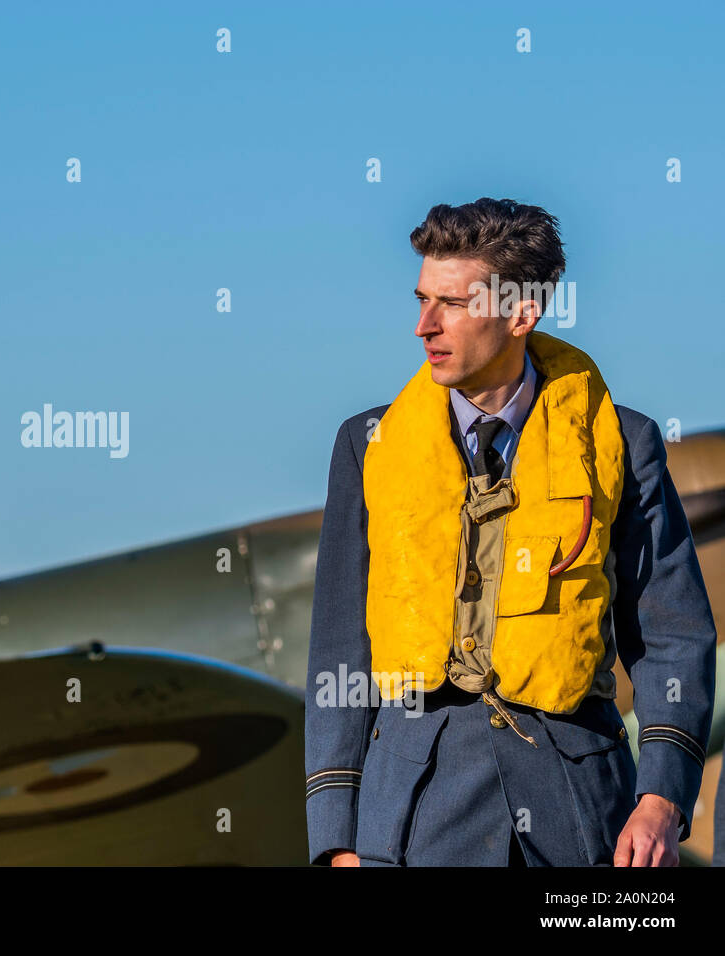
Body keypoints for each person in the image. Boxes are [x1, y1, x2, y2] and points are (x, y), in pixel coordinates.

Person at [305, 198, 717, 866]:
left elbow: (674, 637)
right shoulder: (367, 445)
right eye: (421, 300)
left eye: (452, 304)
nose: (424, 326)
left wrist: (662, 798)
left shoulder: (623, 440)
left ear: (521, 312)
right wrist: (336, 843)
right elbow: (338, 655)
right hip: (410, 827)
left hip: (584, 819)